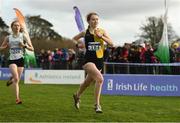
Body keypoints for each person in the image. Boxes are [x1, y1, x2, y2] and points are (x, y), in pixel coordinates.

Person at [72, 12, 113, 113]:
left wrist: (101, 37)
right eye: (93, 19)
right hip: (88, 60)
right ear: (89, 21)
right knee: (100, 79)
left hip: (99, 60)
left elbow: (111, 43)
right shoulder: (84, 32)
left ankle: (77, 96)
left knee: (87, 83)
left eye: (97, 19)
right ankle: (97, 105)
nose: (96, 21)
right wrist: (79, 46)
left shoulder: (102, 31)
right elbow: (74, 39)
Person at [0, 20, 34, 104]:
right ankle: (17, 99)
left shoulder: (24, 36)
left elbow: (32, 49)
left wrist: (24, 46)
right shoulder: (8, 37)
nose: (17, 27)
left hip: (20, 59)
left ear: (20, 27)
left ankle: (11, 80)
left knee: (16, 80)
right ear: (12, 27)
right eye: (15, 25)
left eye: (18, 25)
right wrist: (5, 47)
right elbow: (1, 48)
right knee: (16, 78)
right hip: (12, 59)